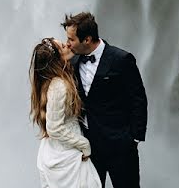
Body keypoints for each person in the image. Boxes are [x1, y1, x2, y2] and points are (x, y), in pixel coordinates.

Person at [62, 12, 147, 188]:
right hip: (89, 147)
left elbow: (138, 99)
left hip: (121, 146)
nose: (67, 44)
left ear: (87, 39)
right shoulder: (73, 62)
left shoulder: (121, 59)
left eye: (71, 39)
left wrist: (134, 138)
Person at [31, 37, 103, 188]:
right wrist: (84, 144)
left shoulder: (55, 80)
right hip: (66, 154)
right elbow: (54, 127)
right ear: (58, 59)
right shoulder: (59, 86)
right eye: (63, 46)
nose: (68, 45)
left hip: (56, 149)